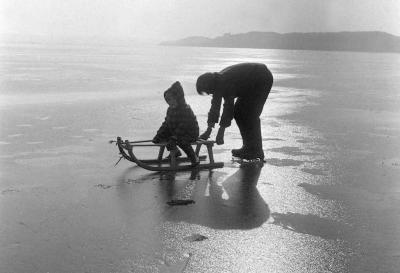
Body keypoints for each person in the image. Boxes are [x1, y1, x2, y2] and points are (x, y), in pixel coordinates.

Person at [196, 63, 273, 160]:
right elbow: (215, 107)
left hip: (261, 79)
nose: (208, 93)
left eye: (207, 91)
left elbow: (228, 108)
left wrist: (221, 132)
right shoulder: (216, 83)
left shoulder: (225, 82)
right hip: (248, 84)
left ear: (209, 85)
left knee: (250, 115)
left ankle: (256, 150)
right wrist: (209, 130)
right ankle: (248, 147)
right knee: (239, 113)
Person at [152, 81, 200, 166]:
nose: (168, 102)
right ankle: (175, 151)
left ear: (178, 98)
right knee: (160, 137)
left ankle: (194, 158)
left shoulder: (185, 109)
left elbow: (183, 126)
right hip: (176, 132)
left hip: (189, 133)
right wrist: (160, 133)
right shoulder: (170, 109)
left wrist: (175, 137)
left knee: (181, 141)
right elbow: (166, 123)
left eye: (170, 99)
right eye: (167, 100)